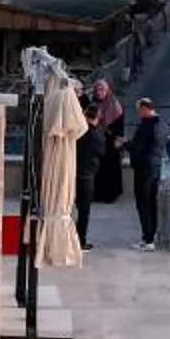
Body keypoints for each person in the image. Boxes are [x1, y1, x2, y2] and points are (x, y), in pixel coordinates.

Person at [129, 97, 167, 248]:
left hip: (144, 168)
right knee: (152, 202)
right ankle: (152, 235)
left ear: (145, 108)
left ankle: (148, 239)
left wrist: (124, 145)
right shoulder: (163, 124)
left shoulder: (146, 127)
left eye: (139, 110)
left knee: (143, 203)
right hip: (156, 167)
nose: (138, 113)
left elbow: (138, 147)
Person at [73, 83, 103, 243]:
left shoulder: (79, 132)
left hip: (74, 172)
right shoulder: (97, 135)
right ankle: (80, 241)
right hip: (86, 176)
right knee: (84, 211)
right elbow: (101, 153)